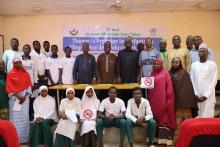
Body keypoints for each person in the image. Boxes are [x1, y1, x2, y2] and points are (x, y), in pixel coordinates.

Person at [148, 59, 176, 146]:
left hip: (163, 101)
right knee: (154, 119)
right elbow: (148, 87)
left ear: (161, 65)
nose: (156, 65)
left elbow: (169, 88)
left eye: (158, 64)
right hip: (153, 101)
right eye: (154, 64)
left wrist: (168, 101)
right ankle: (154, 140)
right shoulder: (152, 73)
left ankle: (163, 141)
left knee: (164, 120)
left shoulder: (165, 74)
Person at [6, 58, 32, 144]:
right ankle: (15, 140)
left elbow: (29, 87)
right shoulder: (10, 74)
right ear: (13, 64)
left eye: (19, 62)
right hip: (14, 100)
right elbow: (9, 88)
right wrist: (18, 96)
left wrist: (24, 97)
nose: (18, 64)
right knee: (14, 120)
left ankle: (24, 139)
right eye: (16, 63)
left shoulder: (26, 74)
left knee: (25, 119)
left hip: (25, 99)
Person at [190, 44, 217, 118]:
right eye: (200, 51)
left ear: (208, 53)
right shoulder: (194, 65)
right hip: (197, 97)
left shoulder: (212, 65)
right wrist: (195, 94)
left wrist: (206, 95)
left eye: (204, 51)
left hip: (209, 97)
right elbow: (192, 80)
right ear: (198, 53)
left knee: (207, 118)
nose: (202, 52)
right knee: (197, 117)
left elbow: (214, 81)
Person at [169, 57, 197, 126]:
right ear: (171, 63)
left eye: (177, 62)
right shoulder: (168, 73)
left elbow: (188, 88)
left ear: (180, 63)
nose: (175, 64)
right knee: (176, 121)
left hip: (185, 103)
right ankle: (176, 135)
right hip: (173, 101)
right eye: (173, 62)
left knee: (186, 121)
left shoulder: (184, 73)